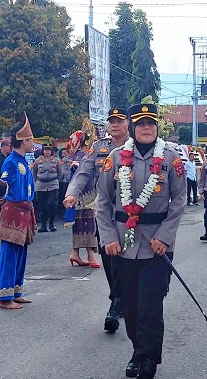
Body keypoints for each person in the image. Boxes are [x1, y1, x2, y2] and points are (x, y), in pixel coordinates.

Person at [96, 103, 187, 379]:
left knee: (150, 309)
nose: (147, 127)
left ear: (157, 127)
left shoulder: (172, 159)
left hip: (156, 247)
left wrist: (165, 236)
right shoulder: (115, 159)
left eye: (151, 123)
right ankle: (138, 349)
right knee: (132, 309)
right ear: (133, 128)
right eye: (141, 123)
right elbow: (103, 203)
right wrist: (108, 237)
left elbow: (178, 202)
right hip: (122, 246)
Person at [64, 108, 128, 333]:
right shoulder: (100, 147)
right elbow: (83, 172)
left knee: (126, 259)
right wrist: (72, 193)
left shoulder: (136, 145)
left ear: (128, 123)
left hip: (130, 214)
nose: (115, 125)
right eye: (111, 121)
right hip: (104, 214)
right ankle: (117, 298)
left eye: (119, 121)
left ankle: (118, 303)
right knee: (109, 260)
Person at [0, 113, 37, 309]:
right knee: (10, 253)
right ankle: (4, 297)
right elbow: (3, 185)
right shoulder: (11, 162)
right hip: (14, 211)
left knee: (21, 253)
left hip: (25, 211)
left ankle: (16, 291)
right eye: (30, 139)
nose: (33, 142)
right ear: (23, 141)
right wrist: (1, 189)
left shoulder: (23, 162)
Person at [69, 133, 100, 268]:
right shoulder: (82, 155)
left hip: (82, 195)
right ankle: (90, 255)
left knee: (80, 224)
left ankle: (75, 252)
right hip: (85, 195)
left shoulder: (80, 155)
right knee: (87, 224)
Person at [33, 143, 62, 232]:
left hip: (53, 184)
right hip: (41, 185)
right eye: (45, 150)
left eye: (49, 150)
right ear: (43, 151)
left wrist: (57, 182)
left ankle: (51, 224)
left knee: (52, 204)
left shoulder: (56, 161)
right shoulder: (38, 161)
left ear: (51, 151)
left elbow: (60, 173)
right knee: (42, 206)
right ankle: (43, 225)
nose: (47, 152)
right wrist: (36, 182)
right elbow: (34, 173)